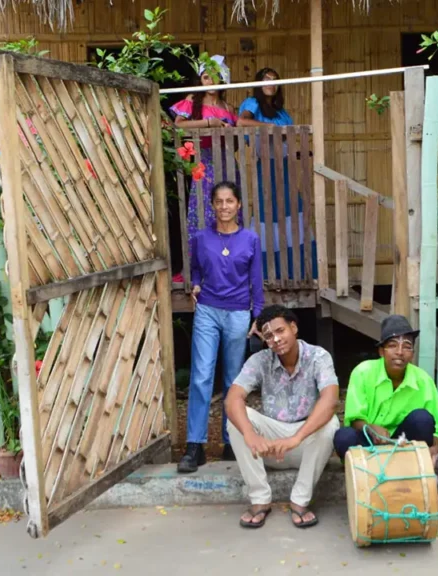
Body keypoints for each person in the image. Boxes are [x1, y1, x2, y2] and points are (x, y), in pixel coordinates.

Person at [224, 305, 339, 529]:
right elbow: (232, 398)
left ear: (293, 328)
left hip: (306, 443)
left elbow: (331, 399)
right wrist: (249, 434)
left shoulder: (318, 356)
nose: (275, 339)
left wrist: (296, 438)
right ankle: (259, 500)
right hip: (270, 448)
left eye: (280, 331)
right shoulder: (260, 360)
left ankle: (300, 501)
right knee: (237, 418)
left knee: (331, 423)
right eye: (268, 336)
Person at [177, 181, 265, 474]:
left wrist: (259, 316)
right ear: (212, 206)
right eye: (219, 201)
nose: (224, 206)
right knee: (201, 376)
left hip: (239, 313)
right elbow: (198, 267)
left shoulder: (250, 239)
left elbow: (256, 280)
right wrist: (197, 283)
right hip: (207, 311)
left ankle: (231, 440)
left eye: (230, 201)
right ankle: (195, 445)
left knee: (233, 379)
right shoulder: (201, 238)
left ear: (238, 205)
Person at [334, 315, 438, 466]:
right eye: (393, 345)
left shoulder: (423, 380)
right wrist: (371, 428)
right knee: (344, 436)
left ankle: (412, 468)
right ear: (381, 351)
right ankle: (360, 475)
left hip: (403, 443)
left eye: (407, 346)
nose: (400, 352)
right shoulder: (363, 372)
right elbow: (355, 419)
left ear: (412, 353)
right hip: (369, 441)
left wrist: (435, 446)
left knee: (422, 418)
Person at [236, 67, 316, 281]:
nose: (271, 83)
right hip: (266, 164)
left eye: (274, 80)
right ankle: (265, 273)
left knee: (292, 209)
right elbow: (242, 122)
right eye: (266, 79)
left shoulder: (282, 111)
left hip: (285, 164)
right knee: (267, 210)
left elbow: (287, 137)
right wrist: (269, 126)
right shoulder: (252, 103)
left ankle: (295, 270)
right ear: (259, 83)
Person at [170, 55, 239, 256]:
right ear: (201, 79)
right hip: (204, 160)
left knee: (228, 205)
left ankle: (227, 255)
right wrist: (210, 124)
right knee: (203, 206)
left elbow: (234, 144)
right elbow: (178, 124)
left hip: (226, 161)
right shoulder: (193, 101)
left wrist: (228, 132)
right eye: (207, 77)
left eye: (216, 77)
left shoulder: (228, 108)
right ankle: (202, 258)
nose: (211, 82)